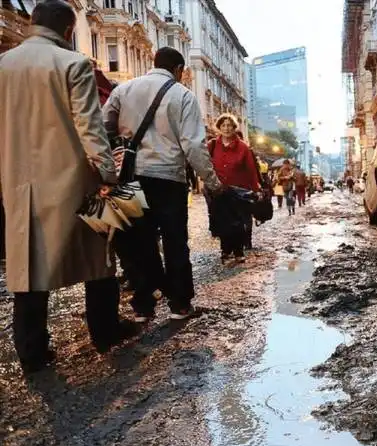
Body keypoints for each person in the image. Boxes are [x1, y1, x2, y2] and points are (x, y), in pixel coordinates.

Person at [0, 0, 137, 372]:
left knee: (27, 261)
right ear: (67, 31)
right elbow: (90, 127)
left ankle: (31, 349)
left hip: (17, 181)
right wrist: (108, 175)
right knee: (98, 253)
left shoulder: (3, 65)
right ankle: (105, 331)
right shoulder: (73, 64)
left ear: (31, 22)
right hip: (73, 179)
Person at [104, 46, 223, 323]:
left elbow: (103, 128)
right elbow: (193, 146)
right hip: (168, 178)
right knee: (174, 242)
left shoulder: (123, 90)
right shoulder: (183, 95)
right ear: (179, 69)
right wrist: (212, 182)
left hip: (130, 176)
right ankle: (180, 303)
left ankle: (143, 304)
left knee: (138, 242)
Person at [208, 115, 262, 263]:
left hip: (238, 191)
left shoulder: (243, 147)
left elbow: (251, 170)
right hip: (218, 189)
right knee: (221, 221)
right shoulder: (212, 145)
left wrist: (255, 189)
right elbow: (205, 164)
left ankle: (238, 251)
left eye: (229, 125)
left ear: (234, 128)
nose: (226, 128)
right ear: (219, 127)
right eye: (223, 125)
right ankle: (225, 250)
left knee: (237, 221)